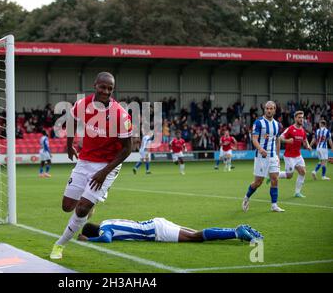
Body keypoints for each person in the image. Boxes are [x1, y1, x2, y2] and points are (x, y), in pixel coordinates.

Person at [50, 72, 132, 259]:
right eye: (103, 87)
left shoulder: (120, 114)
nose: (106, 91)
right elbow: (70, 121)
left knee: (81, 208)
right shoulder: (82, 104)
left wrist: (104, 172)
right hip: (85, 161)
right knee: (67, 206)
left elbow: (127, 149)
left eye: (110, 88)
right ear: (95, 85)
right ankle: (90, 204)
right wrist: (69, 143)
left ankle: (59, 245)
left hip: (107, 165)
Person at [242, 101, 285, 213]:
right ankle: (246, 197)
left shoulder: (277, 124)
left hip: (273, 156)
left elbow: (277, 140)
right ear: (264, 109)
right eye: (267, 108)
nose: (269, 110)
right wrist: (260, 149)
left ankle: (274, 205)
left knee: (275, 179)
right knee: (258, 182)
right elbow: (254, 139)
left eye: (271, 108)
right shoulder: (259, 122)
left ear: (275, 110)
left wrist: (278, 156)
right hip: (261, 157)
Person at [77, 218, 263, 243]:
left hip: (155, 231)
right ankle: (236, 230)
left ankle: (236, 232)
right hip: (155, 222)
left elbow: (107, 239)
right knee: (197, 232)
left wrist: (88, 240)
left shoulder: (104, 229)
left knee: (194, 238)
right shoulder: (107, 221)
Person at [271, 111, 312, 197]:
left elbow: (305, 140)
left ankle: (297, 192)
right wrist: (287, 141)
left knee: (303, 172)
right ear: (295, 118)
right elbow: (280, 138)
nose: (301, 119)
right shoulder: (290, 129)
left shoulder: (302, 130)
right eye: (299, 117)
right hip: (289, 157)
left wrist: (308, 146)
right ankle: (274, 174)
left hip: (298, 155)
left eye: (302, 117)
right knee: (289, 176)